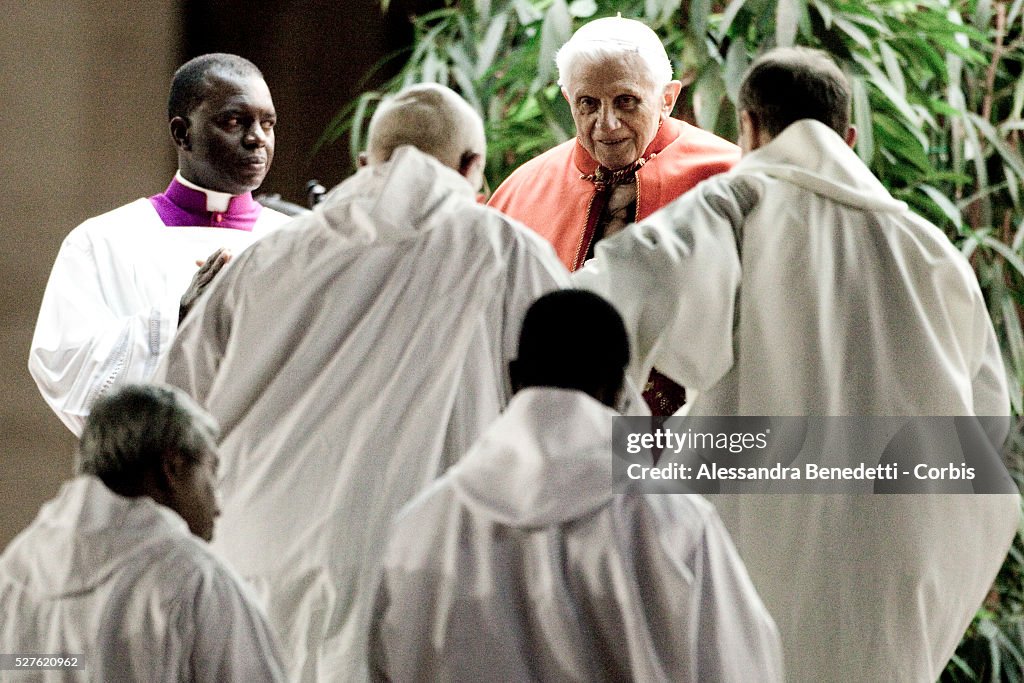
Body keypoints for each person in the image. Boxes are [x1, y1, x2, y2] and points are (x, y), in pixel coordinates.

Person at [573, 47, 1020, 681]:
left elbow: (587, 320)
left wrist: (630, 463)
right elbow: (986, 441)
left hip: (748, 553)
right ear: (851, 136)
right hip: (885, 581)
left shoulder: (736, 205)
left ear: (748, 128)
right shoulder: (933, 252)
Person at [158, 83, 569, 681]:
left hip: (258, 565)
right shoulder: (508, 252)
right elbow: (583, 412)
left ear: (363, 163)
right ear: (473, 168)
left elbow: (173, 411)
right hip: (428, 579)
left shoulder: (260, 262)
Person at [369, 290, 784, 682]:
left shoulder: (419, 528)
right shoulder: (673, 521)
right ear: (620, 389)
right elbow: (739, 664)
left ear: (513, 378)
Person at [489, 15, 741, 415]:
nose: (606, 124)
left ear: (667, 98)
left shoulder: (730, 180)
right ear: (569, 98)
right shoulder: (521, 193)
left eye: (626, 101)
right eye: (588, 103)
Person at [29, 53, 290, 436]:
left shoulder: (298, 242)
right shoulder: (104, 241)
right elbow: (62, 369)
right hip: (154, 477)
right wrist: (177, 318)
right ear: (182, 133)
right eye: (235, 121)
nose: (256, 138)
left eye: (267, 123)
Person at [0, 384, 285, 681]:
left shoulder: (13, 573)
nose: (217, 506)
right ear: (171, 468)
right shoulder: (193, 581)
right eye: (212, 472)